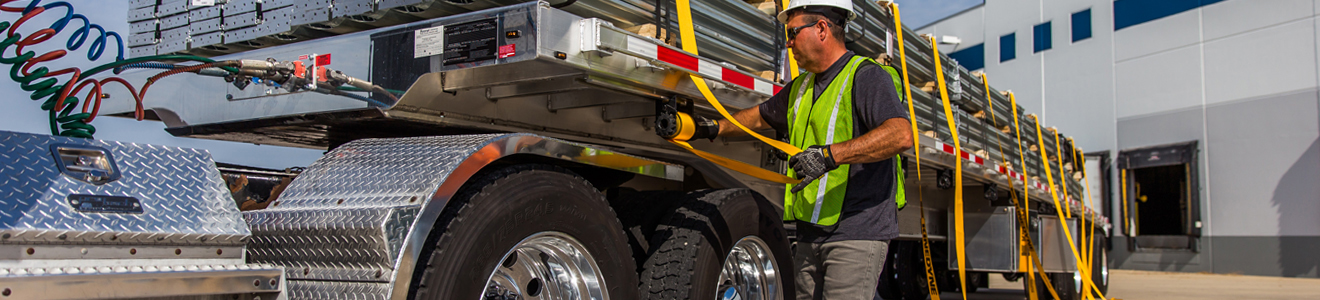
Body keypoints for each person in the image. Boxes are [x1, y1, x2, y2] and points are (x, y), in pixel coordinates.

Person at [673, 0, 914, 298]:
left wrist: (830, 155)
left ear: (822, 28)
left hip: (857, 231)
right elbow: (758, 116)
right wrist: (709, 128)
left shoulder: (865, 76)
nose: (788, 43)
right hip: (812, 232)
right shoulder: (802, 87)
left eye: (793, 32)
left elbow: (900, 135)